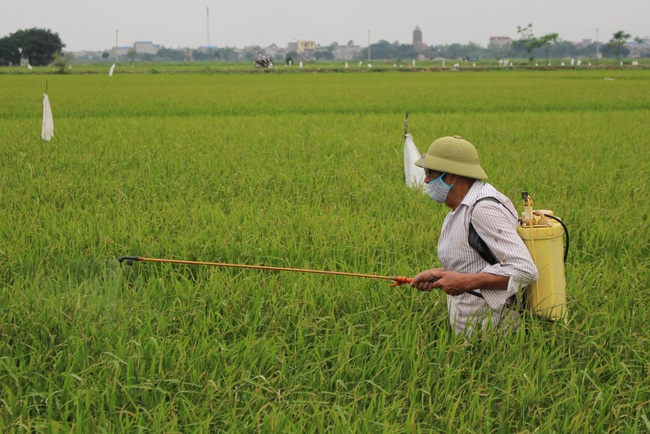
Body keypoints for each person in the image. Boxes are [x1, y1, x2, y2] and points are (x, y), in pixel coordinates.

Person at [410, 135, 538, 335]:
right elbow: (477, 263)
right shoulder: (463, 207)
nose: (425, 179)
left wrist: (466, 282)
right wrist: (439, 275)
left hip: (492, 334)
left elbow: (525, 270)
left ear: (453, 176)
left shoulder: (482, 209)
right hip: (472, 329)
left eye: (430, 173)